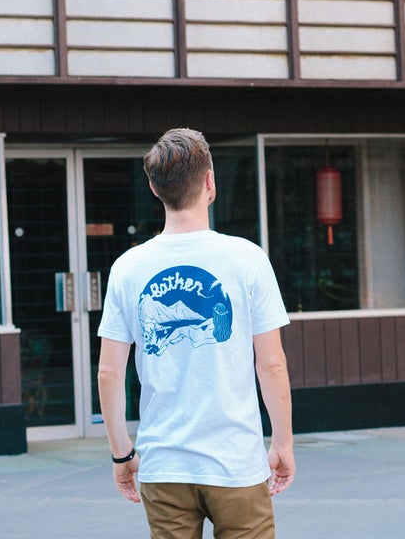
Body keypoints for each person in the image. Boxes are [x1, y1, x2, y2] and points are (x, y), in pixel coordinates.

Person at [95, 129, 292, 539]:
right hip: (236, 463)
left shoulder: (128, 267)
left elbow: (109, 374)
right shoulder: (247, 259)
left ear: (153, 188)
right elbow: (271, 364)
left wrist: (122, 454)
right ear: (209, 181)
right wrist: (282, 444)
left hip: (164, 465)